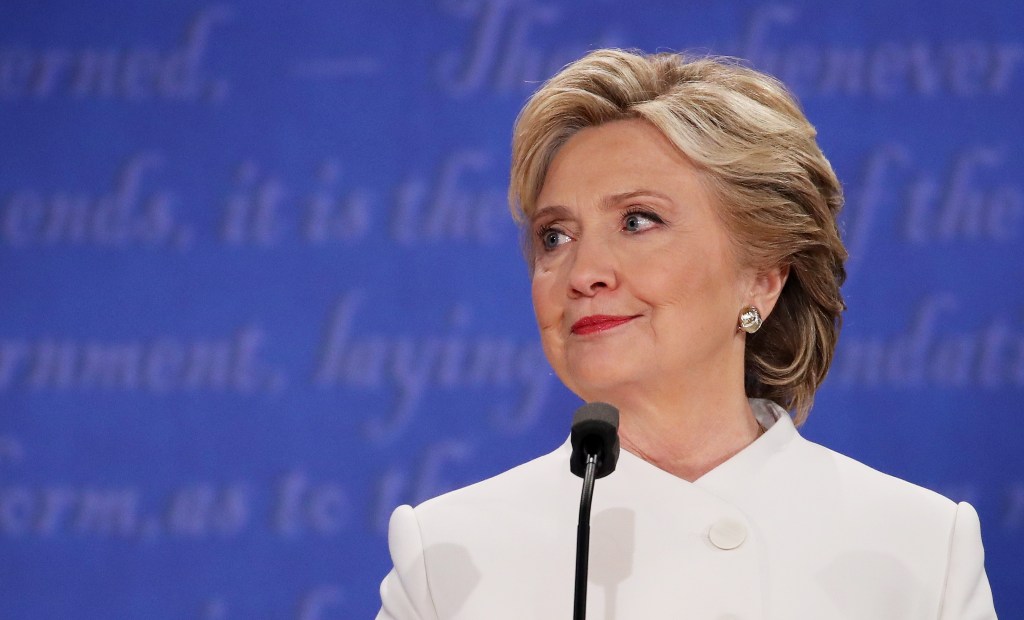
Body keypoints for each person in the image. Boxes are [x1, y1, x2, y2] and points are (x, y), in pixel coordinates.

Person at [376, 49, 996, 619]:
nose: (584, 273)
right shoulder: (449, 557)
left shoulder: (920, 549)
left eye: (638, 220)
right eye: (554, 237)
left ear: (762, 279)